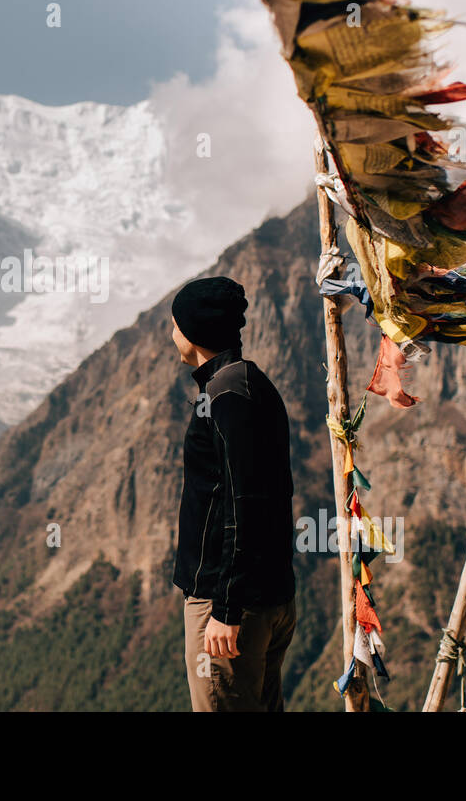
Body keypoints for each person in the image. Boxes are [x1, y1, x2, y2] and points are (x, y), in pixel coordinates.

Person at [169, 275, 297, 711]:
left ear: (192, 331)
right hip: (264, 595)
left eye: (175, 323)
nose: (172, 333)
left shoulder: (227, 396)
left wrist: (226, 608)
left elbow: (246, 504)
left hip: (228, 605)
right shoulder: (246, 383)